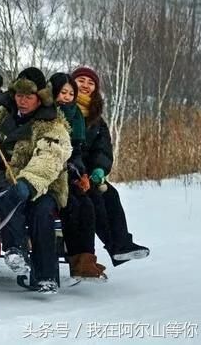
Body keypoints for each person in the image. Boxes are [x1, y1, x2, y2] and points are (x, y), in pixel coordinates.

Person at [0, 67, 72, 294]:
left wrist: (27, 182)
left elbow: (50, 157)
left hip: (46, 183)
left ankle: (46, 275)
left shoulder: (52, 123)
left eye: (28, 96)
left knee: (40, 212)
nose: (22, 101)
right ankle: (16, 251)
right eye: (19, 95)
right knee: (6, 198)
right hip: (10, 177)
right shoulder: (4, 117)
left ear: (39, 98)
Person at [71, 66, 150, 266]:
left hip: (89, 173)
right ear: (72, 83)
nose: (86, 86)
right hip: (70, 171)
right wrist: (80, 172)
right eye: (81, 81)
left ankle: (122, 244)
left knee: (111, 194)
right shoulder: (63, 109)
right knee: (94, 197)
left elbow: (103, 149)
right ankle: (115, 247)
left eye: (91, 83)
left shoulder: (97, 119)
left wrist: (99, 169)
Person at [49, 72, 107, 281]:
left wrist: (80, 172)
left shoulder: (76, 116)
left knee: (87, 204)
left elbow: (77, 150)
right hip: (48, 172)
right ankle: (76, 260)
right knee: (71, 204)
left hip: (69, 170)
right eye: (62, 92)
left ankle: (85, 260)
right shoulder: (48, 113)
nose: (66, 97)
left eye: (69, 94)